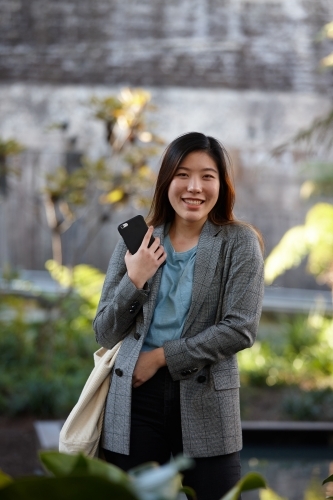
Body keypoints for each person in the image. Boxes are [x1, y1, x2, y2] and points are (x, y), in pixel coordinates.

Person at [93, 132, 264, 500]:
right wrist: (135, 278)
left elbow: (241, 329)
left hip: (207, 400)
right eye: (183, 174)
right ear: (166, 180)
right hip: (135, 401)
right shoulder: (137, 242)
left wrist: (160, 358)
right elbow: (105, 332)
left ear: (222, 184)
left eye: (207, 176)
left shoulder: (239, 242)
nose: (194, 187)